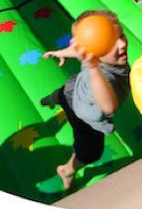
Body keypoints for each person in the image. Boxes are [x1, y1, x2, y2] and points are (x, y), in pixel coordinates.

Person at [40, 10, 130, 191]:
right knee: (90, 153)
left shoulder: (92, 54)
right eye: (110, 42)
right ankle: (67, 170)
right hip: (82, 114)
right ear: (93, 51)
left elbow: (77, 50)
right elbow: (108, 106)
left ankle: (50, 99)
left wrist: (61, 52)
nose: (121, 44)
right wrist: (93, 69)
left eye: (121, 36)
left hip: (73, 87)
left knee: (63, 93)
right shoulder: (102, 74)